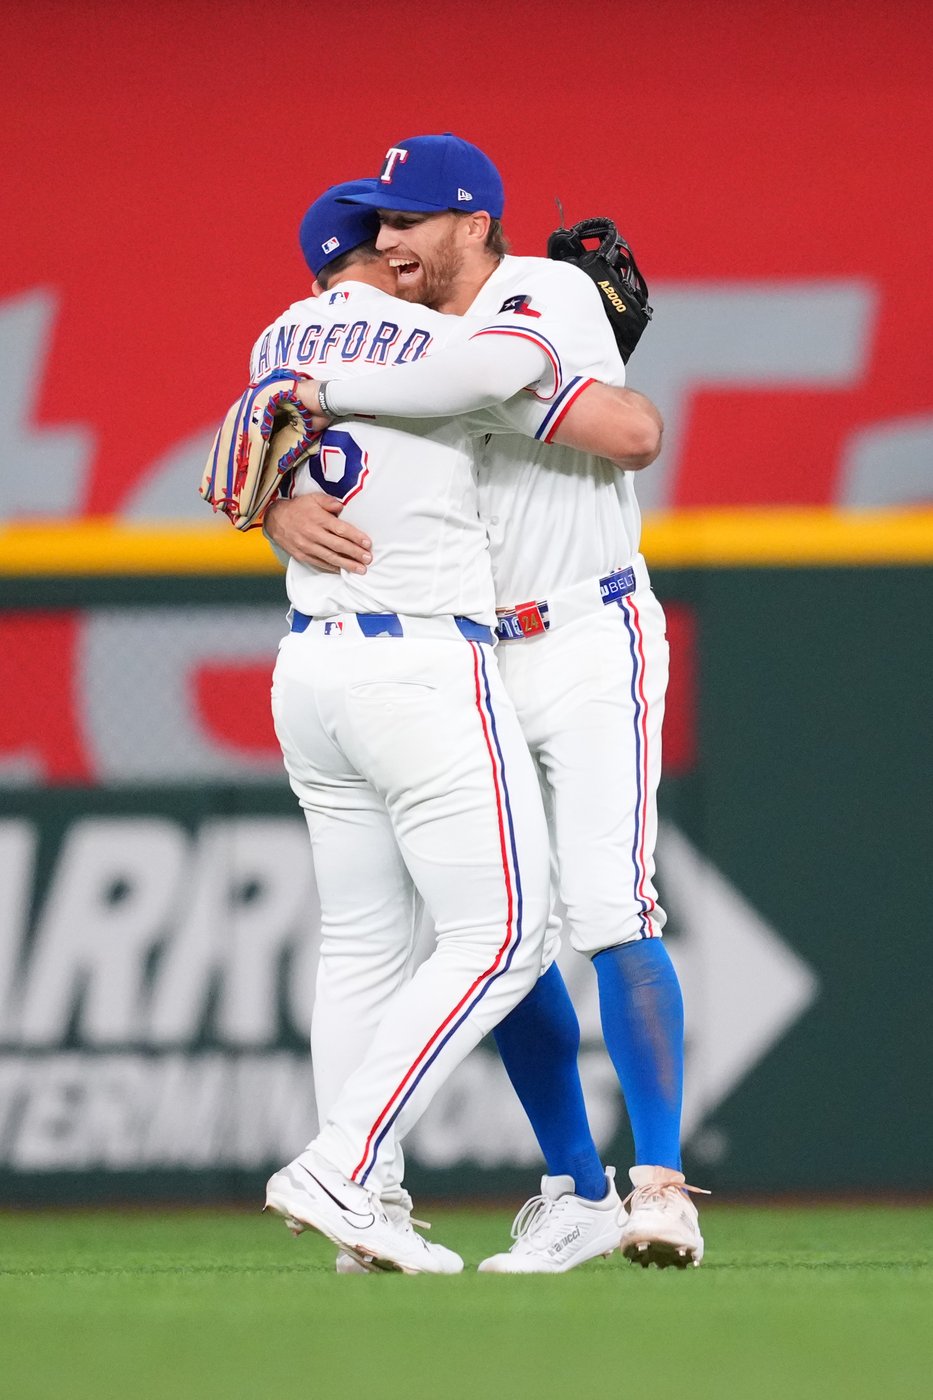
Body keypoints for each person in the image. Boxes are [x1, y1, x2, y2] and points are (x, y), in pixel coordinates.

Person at [271, 133, 706, 1272]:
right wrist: (276, 501)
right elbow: (344, 449)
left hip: (587, 629)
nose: (390, 241)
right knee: (503, 923)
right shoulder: (402, 337)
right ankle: (574, 1190)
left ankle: (661, 1188)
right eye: (380, 224)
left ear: (473, 223)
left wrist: (313, 390)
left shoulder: (541, 289)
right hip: (473, 650)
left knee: (609, 906)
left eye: (410, 220)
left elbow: (628, 430)